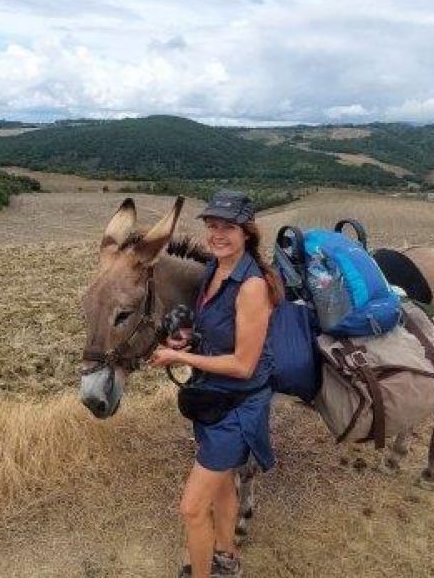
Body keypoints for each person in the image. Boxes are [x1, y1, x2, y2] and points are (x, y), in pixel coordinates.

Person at [149, 190, 284, 578]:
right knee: (223, 485)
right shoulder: (215, 270)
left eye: (228, 227)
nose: (217, 234)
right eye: (212, 226)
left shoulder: (252, 286)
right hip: (212, 398)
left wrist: (180, 358)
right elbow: (215, 333)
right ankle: (228, 559)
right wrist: (187, 341)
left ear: (247, 233)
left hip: (237, 407)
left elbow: (243, 365)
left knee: (191, 509)